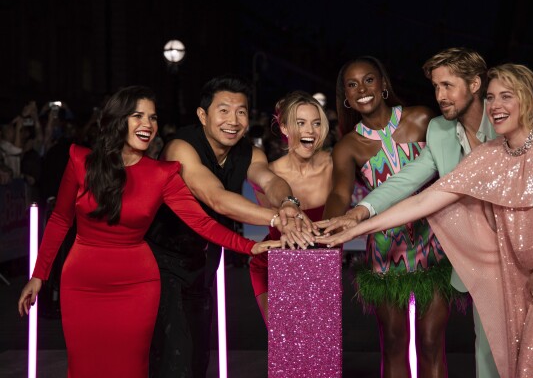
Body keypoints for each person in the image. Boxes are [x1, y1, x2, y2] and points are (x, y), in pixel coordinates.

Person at [318, 63, 533, 377]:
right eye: (491, 98)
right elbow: (420, 194)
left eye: (505, 96)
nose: (494, 106)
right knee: (521, 360)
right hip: (492, 270)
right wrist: (354, 223)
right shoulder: (490, 154)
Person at [17, 85, 278, 378]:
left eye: (153, 118)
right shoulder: (81, 161)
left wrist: (248, 246)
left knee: (131, 368)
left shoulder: (162, 174)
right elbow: (60, 220)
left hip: (137, 284)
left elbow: (201, 222)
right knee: (84, 368)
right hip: (82, 282)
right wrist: (38, 275)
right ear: (118, 120)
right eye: (138, 116)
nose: (148, 125)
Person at [145, 75, 318, 378]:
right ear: (203, 115)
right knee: (173, 357)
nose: (233, 120)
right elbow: (216, 198)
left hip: (203, 266)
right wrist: (277, 219)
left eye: (240, 112)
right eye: (223, 110)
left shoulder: (249, 152)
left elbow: (270, 180)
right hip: (161, 266)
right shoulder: (181, 148)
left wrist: (288, 202)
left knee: (197, 358)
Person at [323, 56, 452, 377]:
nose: (361, 89)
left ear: (383, 86)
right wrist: (326, 228)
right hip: (384, 251)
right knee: (394, 342)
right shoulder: (347, 146)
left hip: (433, 243)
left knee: (431, 341)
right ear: (346, 98)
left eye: (368, 80)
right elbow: (340, 194)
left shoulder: (422, 119)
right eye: (351, 85)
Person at [249, 90, 332, 324]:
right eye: (301, 123)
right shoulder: (269, 173)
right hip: (275, 268)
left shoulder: (336, 167)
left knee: (320, 354)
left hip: (323, 271)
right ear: (284, 128)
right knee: (287, 350)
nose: (310, 131)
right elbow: (276, 226)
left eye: (316, 123)